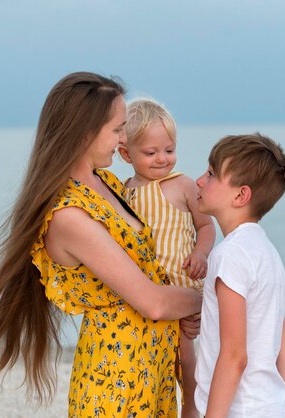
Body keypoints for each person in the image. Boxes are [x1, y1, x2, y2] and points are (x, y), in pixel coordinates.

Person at [0, 72, 202, 417]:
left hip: (153, 369)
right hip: (117, 379)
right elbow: (154, 303)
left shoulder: (109, 182)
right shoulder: (69, 214)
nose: (121, 141)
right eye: (116, 130)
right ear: (85, 133)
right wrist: (204, 300)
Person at [118, 98, 216, 418]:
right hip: (144, 291)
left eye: (169, 150)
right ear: (125, 153)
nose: (162, 159)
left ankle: (191, 407)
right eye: (151, 152)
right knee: (149, 358)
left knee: (184, 353)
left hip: (180, 286)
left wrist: (201, 253)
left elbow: (205, 226)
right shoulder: (123, 191)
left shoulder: (183, 185)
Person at [193, 133, 285, 418]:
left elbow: (234, 355)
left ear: (241, 195)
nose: (200, 181)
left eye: (212, 174)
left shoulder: (230, 255)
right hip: (269, 407)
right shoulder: (269, 255)